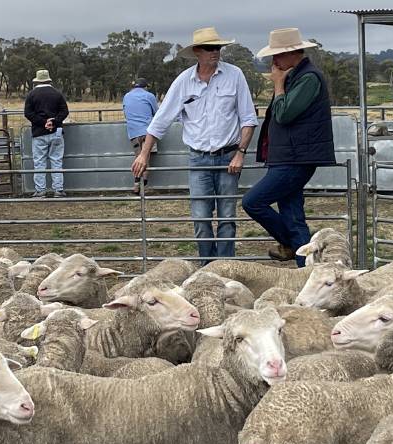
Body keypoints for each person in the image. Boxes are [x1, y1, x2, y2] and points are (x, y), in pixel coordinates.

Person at [133, 27, 257, 262]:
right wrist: (143, 155)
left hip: (228, 156)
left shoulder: (235, 75)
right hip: (198, 158)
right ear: (197, 52)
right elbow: (160, 121)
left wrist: (240, 153)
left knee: (227, 217)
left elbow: (248, 118)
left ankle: (225, 267)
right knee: (201, 218)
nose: (215, 52)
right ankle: (207, 268)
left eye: (218, 47)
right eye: (210, 48)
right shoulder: (183, 82)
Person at [242, 28, 334, 267]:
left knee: (253, 202)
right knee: (293, 217)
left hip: (295, 159)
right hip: (288, 156)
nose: (274, 62)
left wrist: (278, 85)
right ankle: (308, 271)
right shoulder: (298, 77)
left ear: (294, 53)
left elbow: (283, 115)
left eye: (278, 55)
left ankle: (296, 246)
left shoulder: (308, 78)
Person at [24, 69, 69, 198]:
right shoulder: (57, 94)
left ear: (37, 81)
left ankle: (40, 190)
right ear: (49, 80)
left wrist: (43, 122)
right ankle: (58, 190)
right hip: (56, 132)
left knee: (39, 161)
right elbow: (64, 111)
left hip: (39, 133)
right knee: (56, 160)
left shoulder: (31, 95)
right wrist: (54, 121)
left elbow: (28, 113)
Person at [122, 77, 159, 194]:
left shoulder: (126, 96)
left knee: (139, 157)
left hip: (133, 132)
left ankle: (136, 184)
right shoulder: (149, 96)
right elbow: (157, 113)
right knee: (146, 159)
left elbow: (125, 114)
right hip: (148, 131)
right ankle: (143, 186)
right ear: (145, 87)